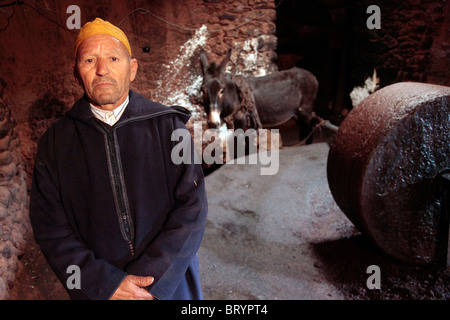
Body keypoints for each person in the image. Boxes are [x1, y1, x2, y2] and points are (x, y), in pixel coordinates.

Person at [29, 18, 208, 300]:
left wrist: (152, 280)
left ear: (132, 68)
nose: (102, 70)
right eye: (89, 60)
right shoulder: (55, 144)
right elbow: (51, 229)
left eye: (113, 58)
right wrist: (103, 283)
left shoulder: (169, 129)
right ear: (77, 73)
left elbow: (193, 207)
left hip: (169, 285)